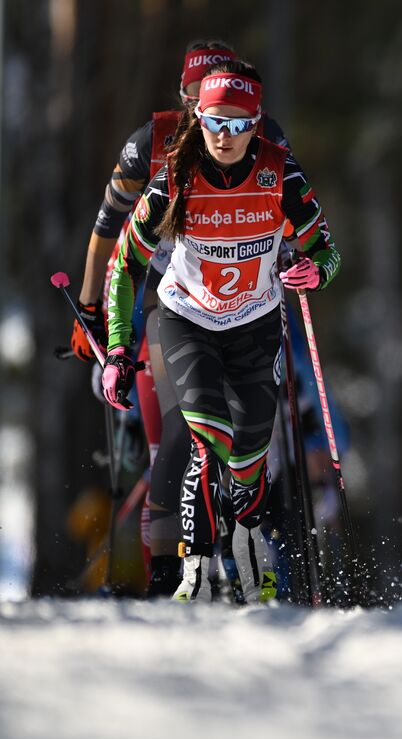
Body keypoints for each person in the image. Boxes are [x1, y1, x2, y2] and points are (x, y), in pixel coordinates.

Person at [101, 61, 340, 602]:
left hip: (254, 323)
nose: (225, 137)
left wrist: (315, 270)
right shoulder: (175, 177)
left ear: (257, 123)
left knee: (250, 460)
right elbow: (126, 265)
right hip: (186, 319)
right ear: (198, 120)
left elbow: (327, 249)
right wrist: (117, 347)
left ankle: (250, 542)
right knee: (210, 433)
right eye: (214, 123)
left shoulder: (280, 173)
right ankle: (197, 566)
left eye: (238, 125)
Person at [73, 39, 293, 597]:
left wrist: (296, 254)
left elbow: (293, 214)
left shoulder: (262, 133)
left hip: (245, 304)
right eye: (199, 104)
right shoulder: (150, 145)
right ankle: (170, 575)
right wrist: (92, 308)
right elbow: (109, 232)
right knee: (178, 433)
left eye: (224, 109)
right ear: (184, 100)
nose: (215, 124)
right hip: (167, 304)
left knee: (250, 434)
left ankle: (246, 556)